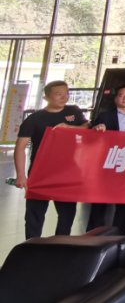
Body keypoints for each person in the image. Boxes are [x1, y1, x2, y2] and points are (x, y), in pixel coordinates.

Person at [15, 80, 89, 239]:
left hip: (67, 171)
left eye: (66, 93)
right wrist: (21, 175)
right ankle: (32, 245)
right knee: (35, 213)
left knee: (67, 213)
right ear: (46, 97)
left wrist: (69, 128)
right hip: (41, 172)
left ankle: (60, 244)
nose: (64, 97)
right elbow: (20, 147)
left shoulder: (73, 111)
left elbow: (87, 128)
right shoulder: (35, 119)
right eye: (58, 94)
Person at [87, 84, 125, 233]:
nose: (124, 98)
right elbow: (90, 136)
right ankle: (95, 232)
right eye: (121, 95)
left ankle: (119, 232)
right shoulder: (104, 116)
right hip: (108, 161)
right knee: (101, 197)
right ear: (116, 98)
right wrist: (96, 129)